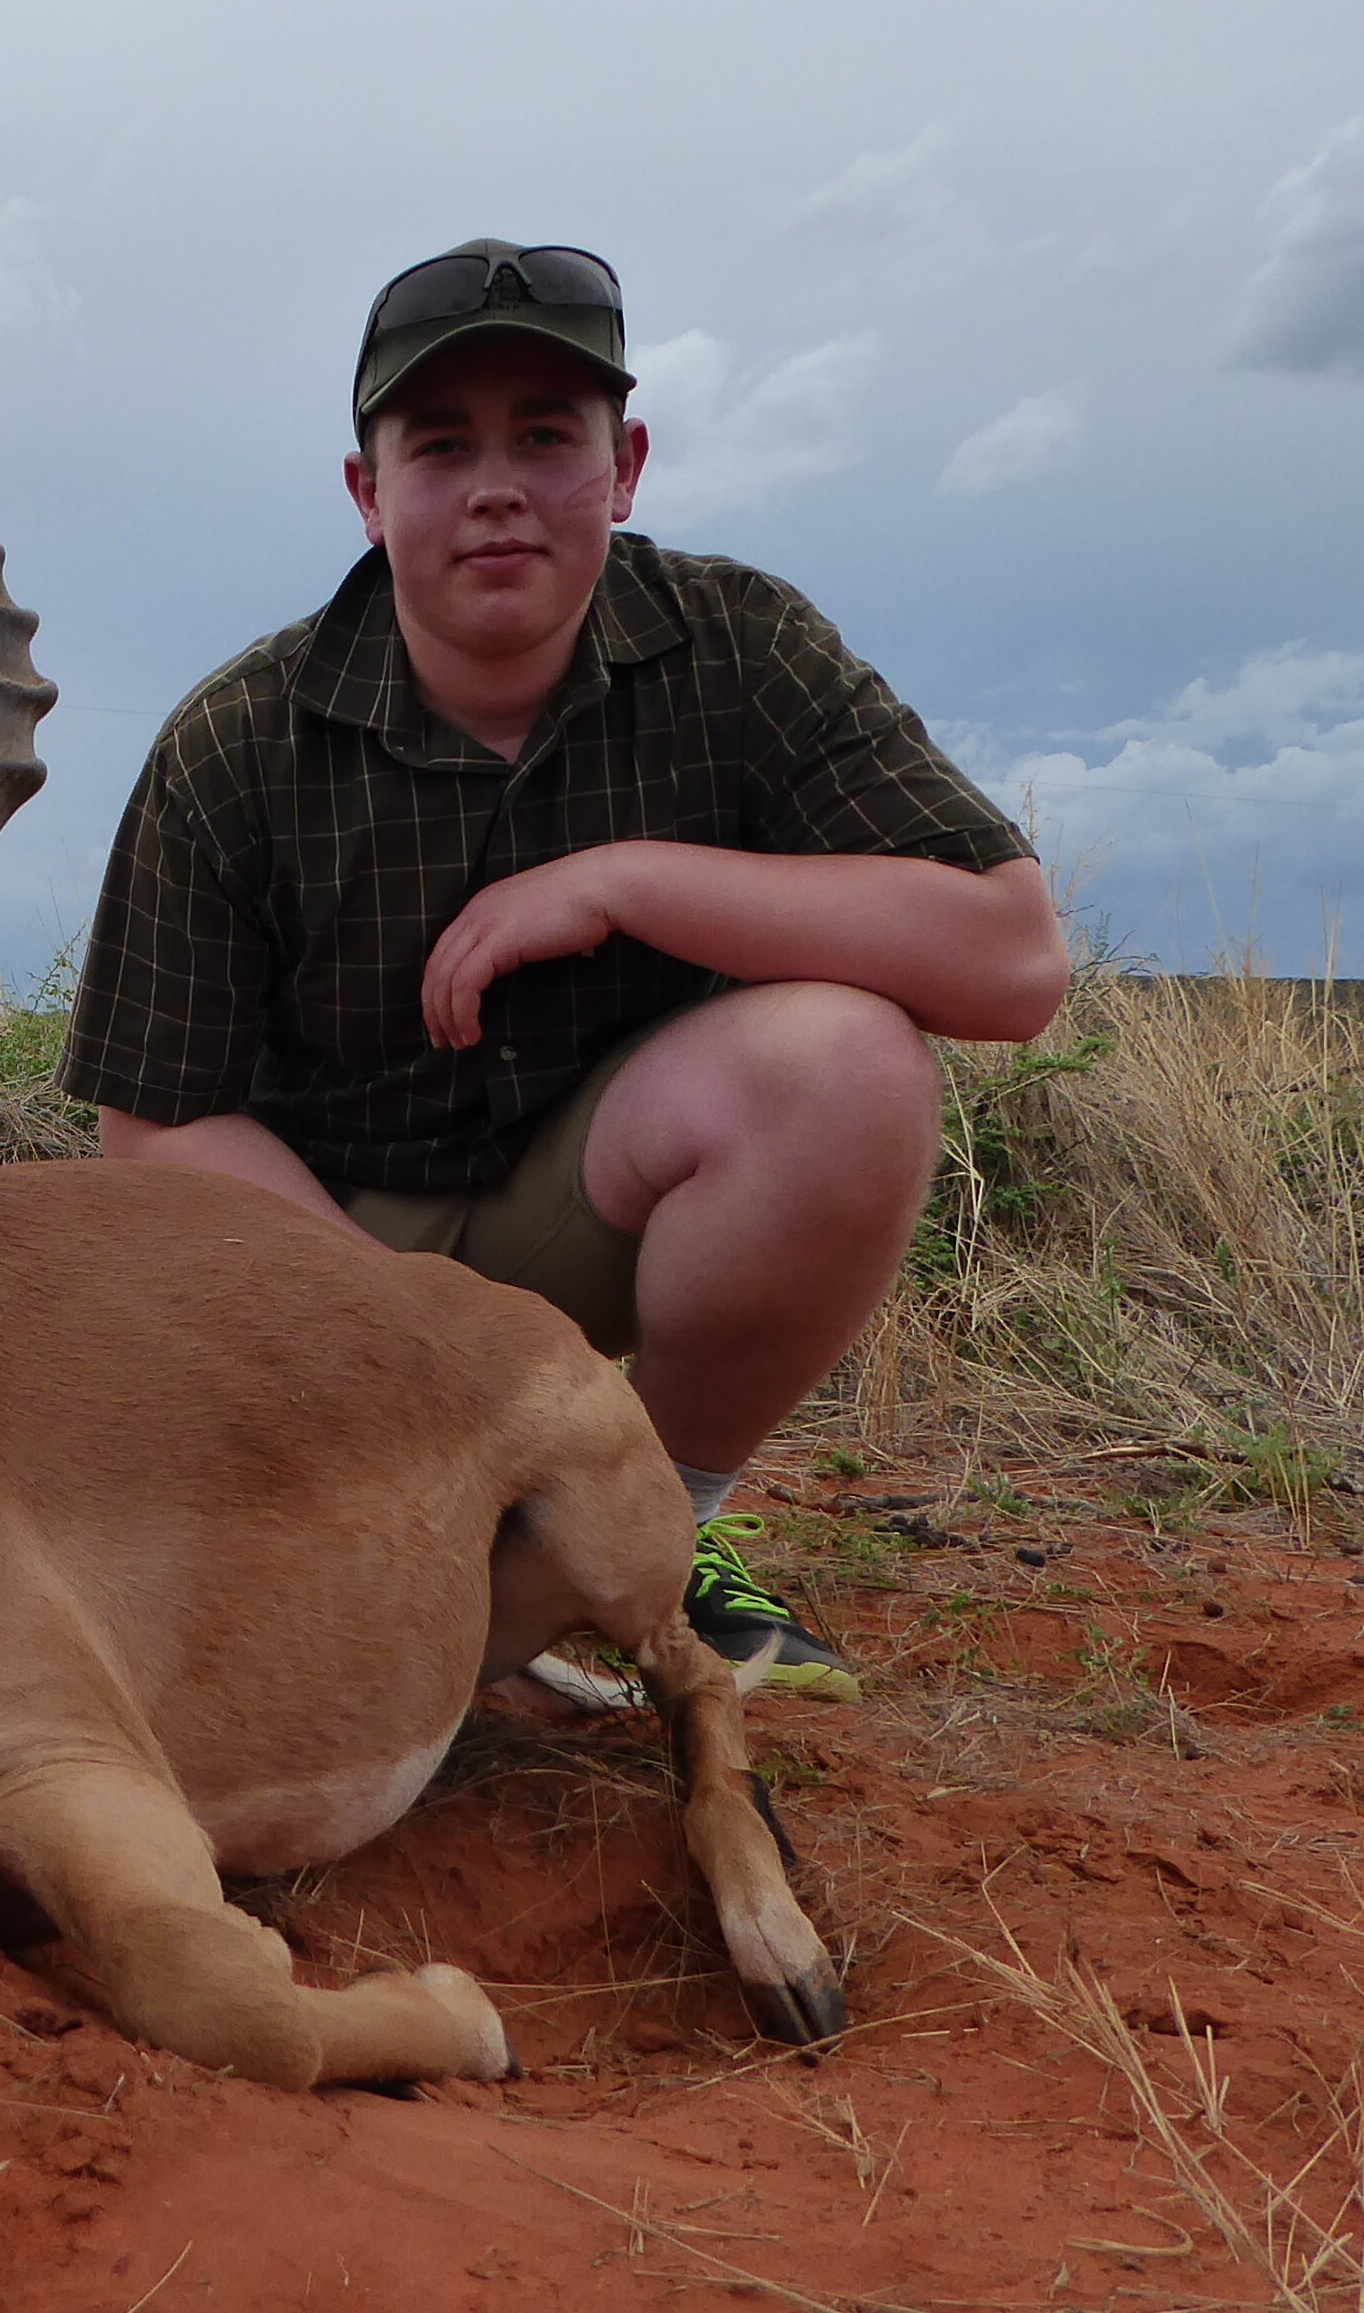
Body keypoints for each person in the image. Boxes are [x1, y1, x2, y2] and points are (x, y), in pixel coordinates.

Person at [62, 240, 1070, 1693]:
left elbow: (1012, 963)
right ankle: (444, 1527)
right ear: (367, 491)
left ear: (626, 466)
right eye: (442, 444)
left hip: (594, 1206)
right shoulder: (233, 738)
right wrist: (429, 1340)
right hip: (332, 1267)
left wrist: (624, 885)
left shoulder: (744, 644)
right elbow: (153, 1128)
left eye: (547, 436)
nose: (496, 486)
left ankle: (653, 1528)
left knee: (846, 1064)